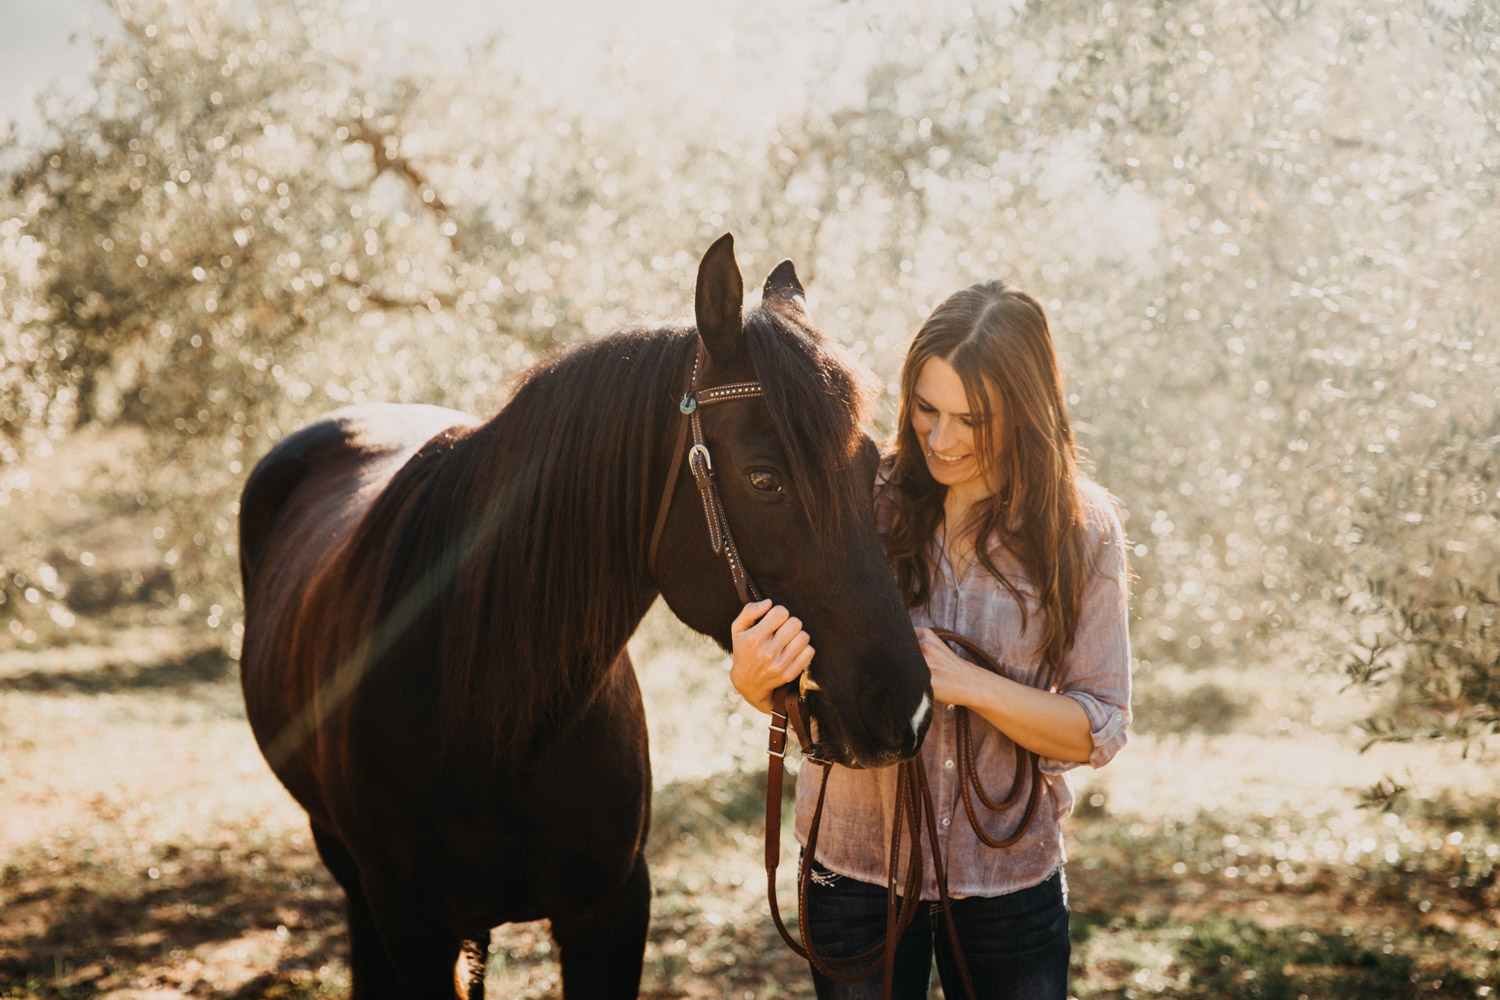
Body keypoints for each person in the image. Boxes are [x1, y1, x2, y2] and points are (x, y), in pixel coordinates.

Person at [730, 281, 1131, 1000]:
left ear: (1026, 413)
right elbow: (796, 680)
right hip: (851, 877)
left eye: (972, 420)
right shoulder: (858, 499)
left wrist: (970, 684)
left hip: (1011, 888)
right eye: (925, 409)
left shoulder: (1084, 530)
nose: (940, 440)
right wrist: (757, 680)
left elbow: (1096, 729)